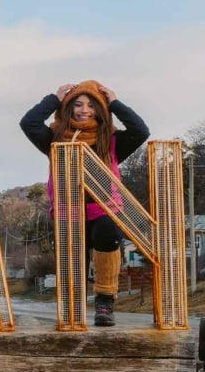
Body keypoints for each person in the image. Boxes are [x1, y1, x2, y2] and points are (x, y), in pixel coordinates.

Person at [20, 81, 150, 327]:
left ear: (100, 110)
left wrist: (114, 102)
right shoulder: (54, 138)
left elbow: (140, 131)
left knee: (109, 234)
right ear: (68, 108)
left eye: (92, 105)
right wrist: (54, 99)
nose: (84, 110)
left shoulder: (110, 140)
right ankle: (73, 307)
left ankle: (105, 302)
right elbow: (29, 124)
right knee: (72, 262)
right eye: (77, 104)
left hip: (104, 209)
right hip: (69, 212)